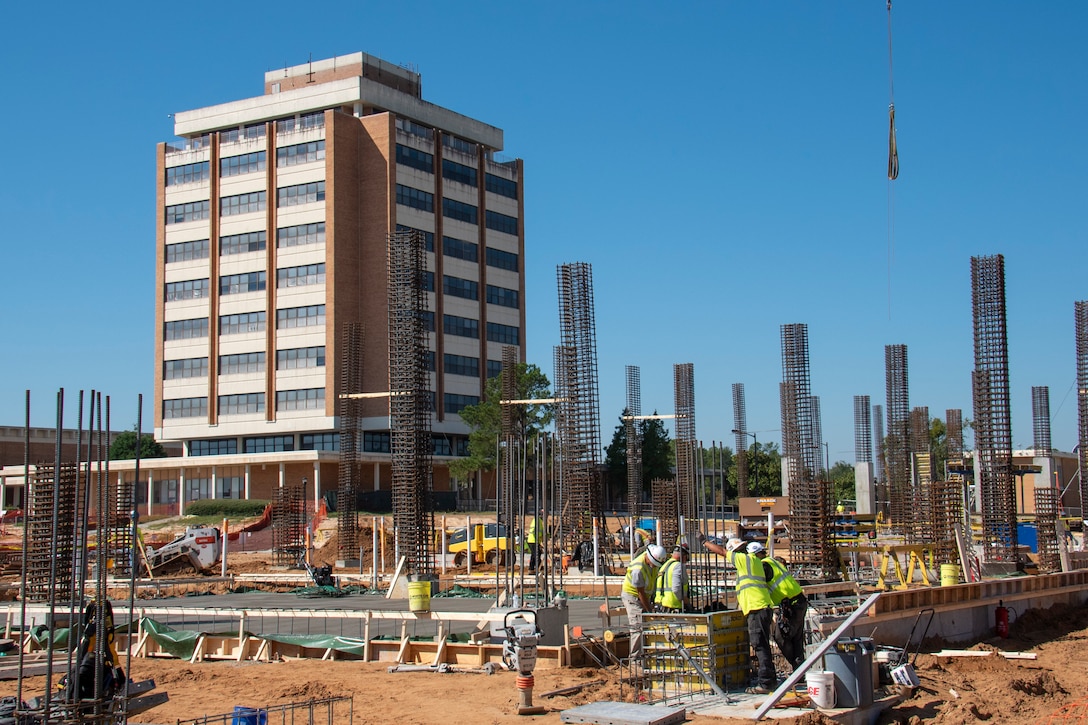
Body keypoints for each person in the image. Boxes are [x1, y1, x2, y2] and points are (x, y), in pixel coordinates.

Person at [703, 537, 776, 694]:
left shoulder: (743, 559)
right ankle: (770, 679)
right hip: (761, 607)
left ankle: (766, 683)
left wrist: (705, 542)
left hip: (757, 609)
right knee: (762, 645)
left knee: (759, 646)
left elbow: (722, 551)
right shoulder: (752, 562)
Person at [747, 541, 809, 672]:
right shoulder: (772, 561)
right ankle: (800, 671)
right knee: (796, 639)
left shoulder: (764, 566)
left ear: (757, 555)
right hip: (798, 601)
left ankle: (798, 669)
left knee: (781, 638)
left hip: (791, 605)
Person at [621, 543, 668, 659]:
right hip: (633, 596)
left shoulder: (652, 563)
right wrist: (649, 610)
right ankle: (635, 659)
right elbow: (640, 592)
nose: (654, 566)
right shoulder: (638, 569)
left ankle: (645, 655)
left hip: (645, 595)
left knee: (646, 626)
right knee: (638, 627)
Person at [655, 543, 692, 612]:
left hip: (661, 605)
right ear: (683, 556)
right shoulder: (678, 566)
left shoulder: (664, 566)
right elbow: (676, 589)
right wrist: (685, 601)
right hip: (673, 607)